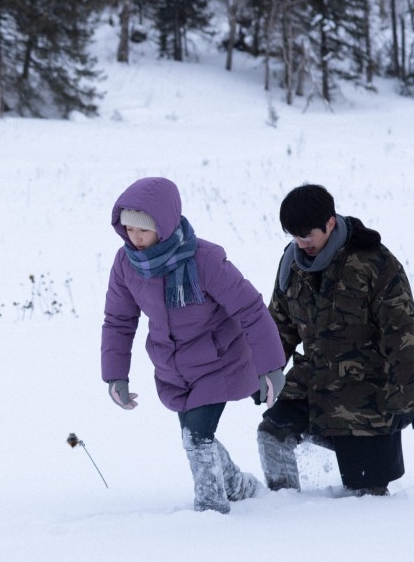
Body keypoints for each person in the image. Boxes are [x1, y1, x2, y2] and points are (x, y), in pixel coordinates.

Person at [101, 177, 287, 513]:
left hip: (222, 360)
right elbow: (119, 321)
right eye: (129, 228)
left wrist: (271, 368)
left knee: (196, 439)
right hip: (173, 366)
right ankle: (238, 485)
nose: (135, 237)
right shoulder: (127, 264)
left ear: (166, 223)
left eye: (144, 229)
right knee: (196, 435)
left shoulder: (205, 260)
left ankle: (210, 507)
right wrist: (116, 375)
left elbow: (251, 309)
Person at [257, 184, 414, 496]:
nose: (301, 243)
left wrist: (407, 396)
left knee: (367, 493)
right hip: (312, 384)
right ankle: (283, 507)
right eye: (294, 235)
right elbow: (278, 326)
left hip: (366, 399)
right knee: (273, 435)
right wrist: (264, 372)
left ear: (330, 223)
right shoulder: (291, 264)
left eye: (308, 235)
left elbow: (402, 333)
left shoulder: (374, 263)